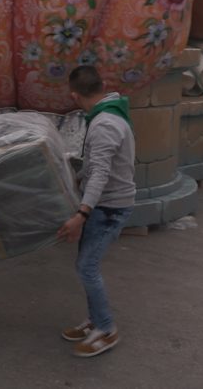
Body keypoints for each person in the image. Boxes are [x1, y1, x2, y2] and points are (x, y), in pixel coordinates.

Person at [56, 65, 136, 358]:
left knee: (87, 267)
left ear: (75, 96)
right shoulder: (110, 113)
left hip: (110, 208)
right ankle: (94, 320)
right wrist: (78, 176)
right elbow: (98, 165)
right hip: (104, 204)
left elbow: (101, 173)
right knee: (85, 265)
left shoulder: (104, 124)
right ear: (102, 86)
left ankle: (106, 328)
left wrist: (81, 214)